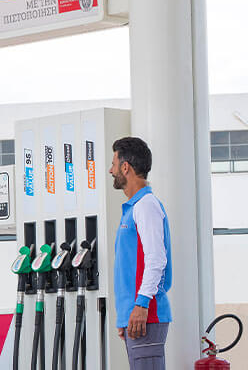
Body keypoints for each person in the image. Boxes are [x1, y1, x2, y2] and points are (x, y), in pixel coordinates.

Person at [110, 137, 172, 370]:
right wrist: (126, 314)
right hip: (136, 314)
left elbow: (157, 259)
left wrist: (141, 305)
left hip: (146, 313)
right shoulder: (134, 208)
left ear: (126, 167)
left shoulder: (146, 205)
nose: (111, 169)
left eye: (114, 164)